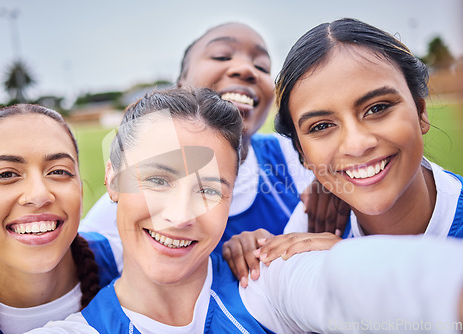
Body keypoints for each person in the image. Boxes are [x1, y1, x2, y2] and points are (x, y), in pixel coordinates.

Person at [27, 88, 463, 334]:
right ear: (112, 179)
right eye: (157, 180)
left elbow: (383, 288)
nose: (179, 215)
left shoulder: (267, 283)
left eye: (210, 189)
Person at [80, 23, 349, 267]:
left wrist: (336, 184)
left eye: (263, 66)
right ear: (181, 84)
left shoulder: (294, 158)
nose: (245, 69)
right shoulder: (129, 200)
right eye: (221, 56)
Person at [224, 17, 463, 278]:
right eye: (321, 126)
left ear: (420, 111)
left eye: (377, 108)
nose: (357, 145)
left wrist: (357, 262)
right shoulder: (308, 229)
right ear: (302, 154)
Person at [0, 104, 120, 334]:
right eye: (6, 174)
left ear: (81, 194)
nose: (39, 195)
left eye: (58, 171)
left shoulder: (126, 262)